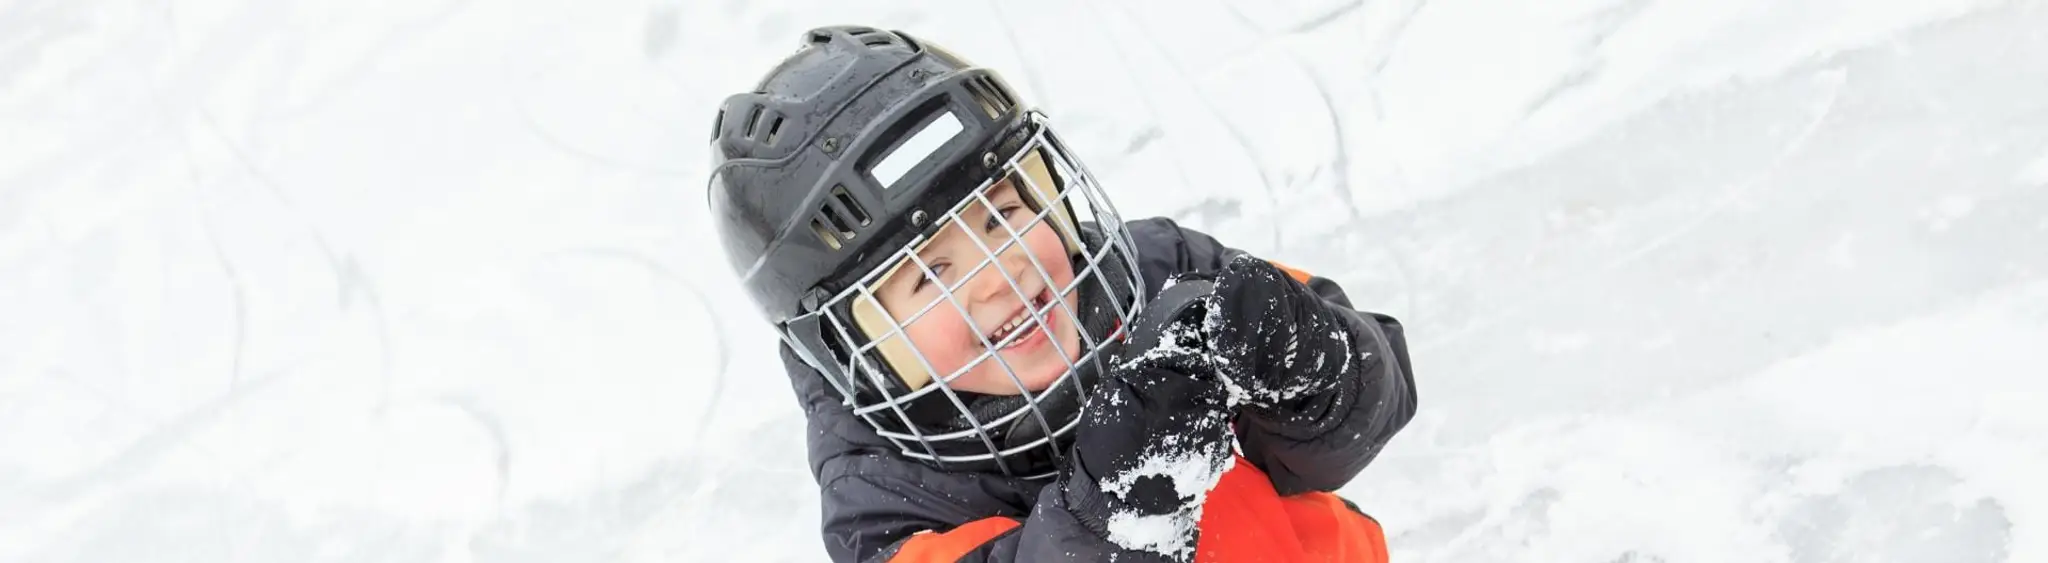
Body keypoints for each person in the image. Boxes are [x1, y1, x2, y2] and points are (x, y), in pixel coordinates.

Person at [705, 25, 1417, 563]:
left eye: (1004, 215)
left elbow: (1374, 393)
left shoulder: (1156, 268)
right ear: (855, 344)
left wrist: (1309, 359)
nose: (997, 273)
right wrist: (1109, 517)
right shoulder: (889, 499)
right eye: (930, 275)